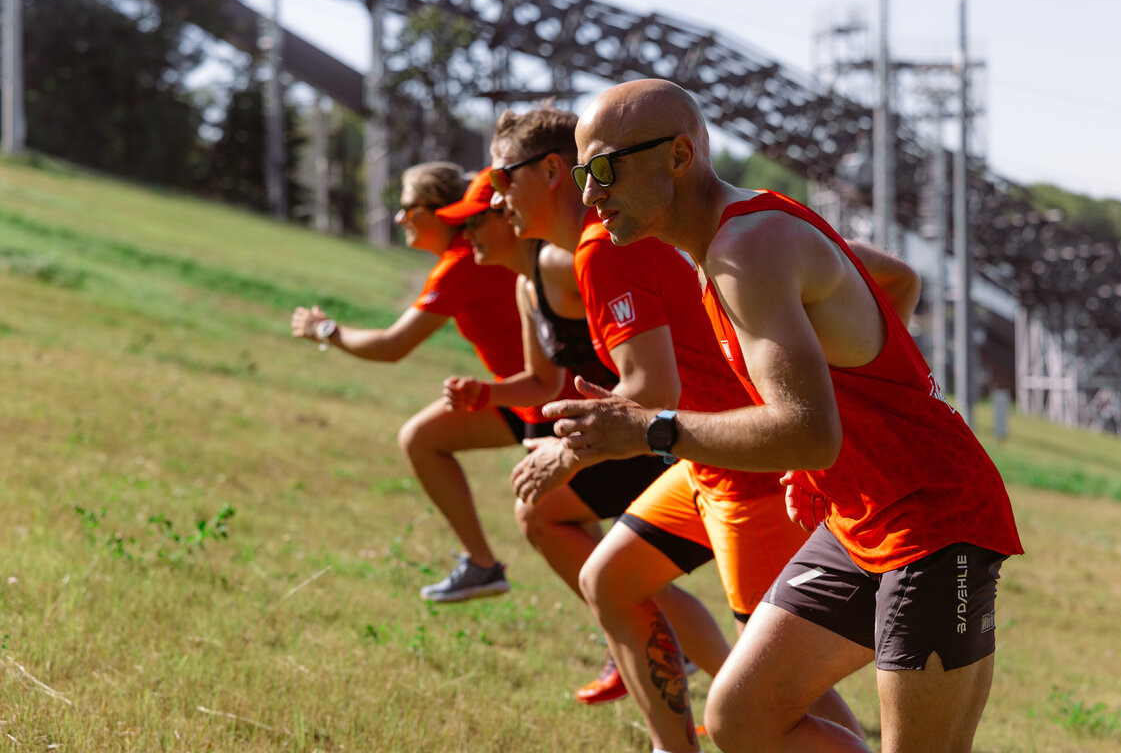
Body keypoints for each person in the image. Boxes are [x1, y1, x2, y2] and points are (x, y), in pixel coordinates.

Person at [547, 78, 1025, 753]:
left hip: (934, 521)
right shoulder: (730, 243)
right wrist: (843, 440)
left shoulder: (750, 248)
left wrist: (649, 430)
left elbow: (808, 430)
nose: (590, 194)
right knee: (740, 718)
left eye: (605, 168)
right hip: (859, 517)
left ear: (679, 156)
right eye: (580, 172)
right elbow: (893, 284)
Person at [488, 106, 862, 752]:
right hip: (704, 467)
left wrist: (568, 451)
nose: (495, 197)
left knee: (784, 693)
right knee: (610, 580)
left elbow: (650, 390)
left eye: (501, 179)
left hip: (753, 480)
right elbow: (891, 278)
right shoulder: (626, 236)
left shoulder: (605, 250)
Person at [439, 168, 728, 705]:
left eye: (477, 220)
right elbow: (543, 380)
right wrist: (485, 392)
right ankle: (650, 639)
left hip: (647, 428)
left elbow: (647, 375)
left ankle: (658, 641)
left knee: (576, 540)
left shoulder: (571, 260)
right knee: (607, 562)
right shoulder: (530, 283)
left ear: (508, 214)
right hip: (621, 426)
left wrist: (570, 442)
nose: (468, 237)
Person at [292, 161, 545, 602]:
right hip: (520, 392)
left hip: (543, 395)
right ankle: (483, 566)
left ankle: (645, 630)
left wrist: (326, 331)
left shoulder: (465, 261)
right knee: (423, 438)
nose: (399, 219)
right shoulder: (468, 255)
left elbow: (392, 345)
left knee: (558, 527)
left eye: (409, 208)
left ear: (439, 210)